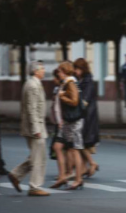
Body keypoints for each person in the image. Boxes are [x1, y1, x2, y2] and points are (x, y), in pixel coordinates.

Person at [7, 61, 49, 196]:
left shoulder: (34, 83)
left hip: (36, 126)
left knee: (36, 156)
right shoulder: (32, 85)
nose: (44, 70)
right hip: (35, 128)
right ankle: (34, 187)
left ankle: (15, 175)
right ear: (35, 71)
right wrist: (36, 128)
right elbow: (31, 109)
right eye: (42, 68)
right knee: (38, 158)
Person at [50, 61, 84, 190]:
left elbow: (74, 101)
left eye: (59, 71)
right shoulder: (65, 83)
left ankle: (78, 179)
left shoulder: (70, 83)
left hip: (74, 122)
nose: (58, 73)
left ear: (64, 71)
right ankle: (62, 176)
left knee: (75, 149)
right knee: (58, 146)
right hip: (66, 122)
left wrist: (62, 96)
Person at [74, 58, 100, 178]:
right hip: (85, 115)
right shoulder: (82, 80)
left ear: (82, 69)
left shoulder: (88, 81)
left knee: (81, 143)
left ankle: (92, 163)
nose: (75, 71)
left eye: (77, 69)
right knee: (80, 142)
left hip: (87, 116)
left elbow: (85, 101)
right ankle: (84, 168)